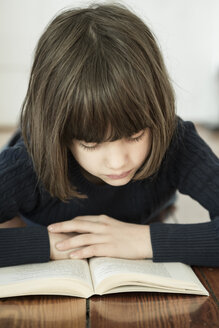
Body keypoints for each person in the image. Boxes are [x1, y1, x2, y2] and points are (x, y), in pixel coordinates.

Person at [0, 3, 218, 268]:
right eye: (91, 143)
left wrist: (142, 240)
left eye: (135, 135)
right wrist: (49, 245)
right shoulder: (26, 164)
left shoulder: (177, 142)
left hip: (145, 218)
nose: (118, 162)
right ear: (62, 135)